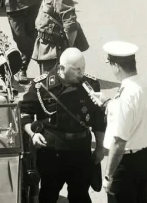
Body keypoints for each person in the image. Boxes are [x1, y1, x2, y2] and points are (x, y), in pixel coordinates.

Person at [20, 48, 106, 203]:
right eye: (76, 70)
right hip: (52, 153)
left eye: (83, 68)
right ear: (61, 69)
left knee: (80, 196)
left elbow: (98, 120)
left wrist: (100, 148)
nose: (81, 73)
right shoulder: (41, 86)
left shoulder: (90, 85)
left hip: (80, 150)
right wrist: (33, 134)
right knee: (48, 194)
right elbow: (24, 113)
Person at [90, 41, 147, 203]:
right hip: (146, 156)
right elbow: (134, 114)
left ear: (116, 66)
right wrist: (107, 103)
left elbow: (119, 142)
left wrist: (109, 175)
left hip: (126, 164)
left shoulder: (125, 96)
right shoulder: (146, 87)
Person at [32, 0, 82, 75]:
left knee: (51, 82)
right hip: (45, 44)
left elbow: (70, 25)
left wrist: (69, 48)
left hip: (54, 47)